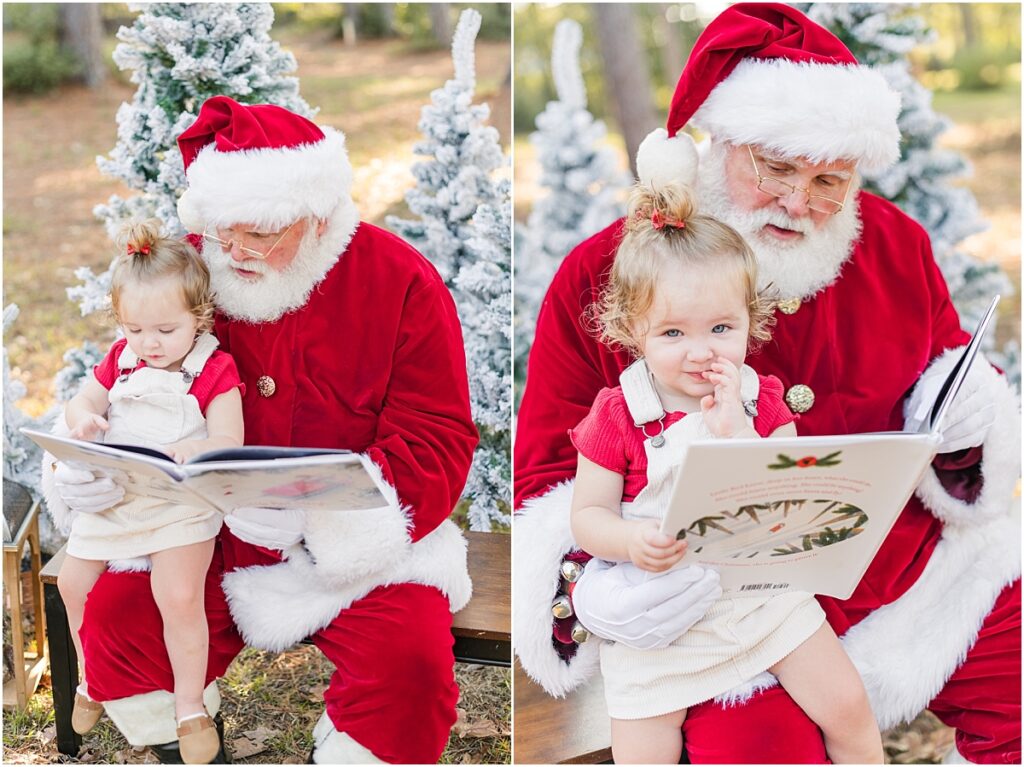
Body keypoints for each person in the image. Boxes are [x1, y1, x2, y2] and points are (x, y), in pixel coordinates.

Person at [513, 4, 1020, 763]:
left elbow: (950, 415)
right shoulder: (608, 273)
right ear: (716, 147)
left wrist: (970, 415)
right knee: (758, 748)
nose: (797, 202)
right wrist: (593, 586)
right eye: (775, 167)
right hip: (708, 602)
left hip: (907, 572)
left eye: (828, 180)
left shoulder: (896, 246)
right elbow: (553, 475)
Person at [43, 95, 479, 764]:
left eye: (260, 233)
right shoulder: (192, 268)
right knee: (116, 618)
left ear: (317, 215)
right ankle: (182, 738)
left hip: (353, 546)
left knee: (410, 662)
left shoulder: (400, 281)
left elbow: (438, 435)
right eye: (224, 230)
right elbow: (130, 371)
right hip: (197, 531)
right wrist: (86, 464)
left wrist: (321, 517)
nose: (235, 251)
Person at [570, 182, 882, 764]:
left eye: (721, 329)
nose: (700, 352)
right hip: (664, 619)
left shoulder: (760, 399)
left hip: (761, 601)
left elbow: (792, 491)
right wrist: (629, 541)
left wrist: (737, 432)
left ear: (750, 321)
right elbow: (587, 516)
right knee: (642, 749)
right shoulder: (619, 414)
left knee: (848, 706)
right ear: (632, 330)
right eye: (672, 333)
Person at [58, 219, 243, 764]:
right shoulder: (122, 359)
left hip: (181, 504)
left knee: (178, 596)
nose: (149, 343)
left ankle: (189, 708)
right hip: (121, 498)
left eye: (165, 329)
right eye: (135, 329)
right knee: (73, 583)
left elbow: (231, 436)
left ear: (198, 317)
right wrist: (85, 420)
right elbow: (81, 402)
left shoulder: (214, 368)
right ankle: (92, 677)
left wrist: (203, 447)